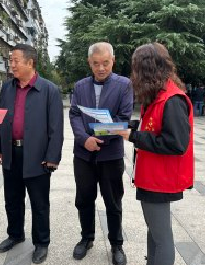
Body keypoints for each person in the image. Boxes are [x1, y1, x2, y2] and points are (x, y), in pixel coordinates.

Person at [117, 43, 194, 265]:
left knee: (161, 237)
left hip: (160, 179)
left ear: (147, 70)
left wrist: (132, 136)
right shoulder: (158, 96)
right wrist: (122, 125)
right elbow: (149, 125)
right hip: (151, 177)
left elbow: (176, 143)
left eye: (136, 69)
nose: (134, 75)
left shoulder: (172, 100)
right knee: (154, 231)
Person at [0, 44, 64, 264]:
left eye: (15, 60)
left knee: (39, 203)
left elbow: (56, 128)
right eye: (10, 60)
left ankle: (41, 243)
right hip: (11, 152)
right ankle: (15, 234)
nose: (11, 65)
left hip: (38, 156)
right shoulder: (7, 88)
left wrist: (53, 157)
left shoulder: (49, 90)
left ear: (30, 63)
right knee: (12, 199)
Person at [69, 42, 133, 265]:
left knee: (113, 201)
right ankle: (86, 238)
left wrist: (97, 135)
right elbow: (75, 115)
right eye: (96, 64)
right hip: (84, 154)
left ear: (113, 60)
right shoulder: (80, 86)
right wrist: (84, 139)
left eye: (105, 63)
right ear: (89, 63)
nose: (101, 68)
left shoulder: (124, 85)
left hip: (111, 155)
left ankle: (117, 244)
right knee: (84, 199)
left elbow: (123, 119)